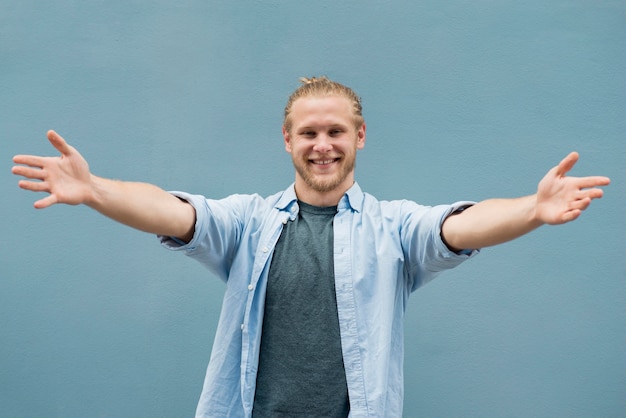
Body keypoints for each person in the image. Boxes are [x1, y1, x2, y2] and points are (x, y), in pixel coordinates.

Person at [12, 77, 610, 417]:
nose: (322, 145)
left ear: (360, 137)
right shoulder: (248, 223)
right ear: (288, 140)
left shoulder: (392, 229)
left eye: (335, 132)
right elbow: (174, 211)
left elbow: (459, 227)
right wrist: (94, 191)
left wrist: (532, 211)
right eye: (309, 133)